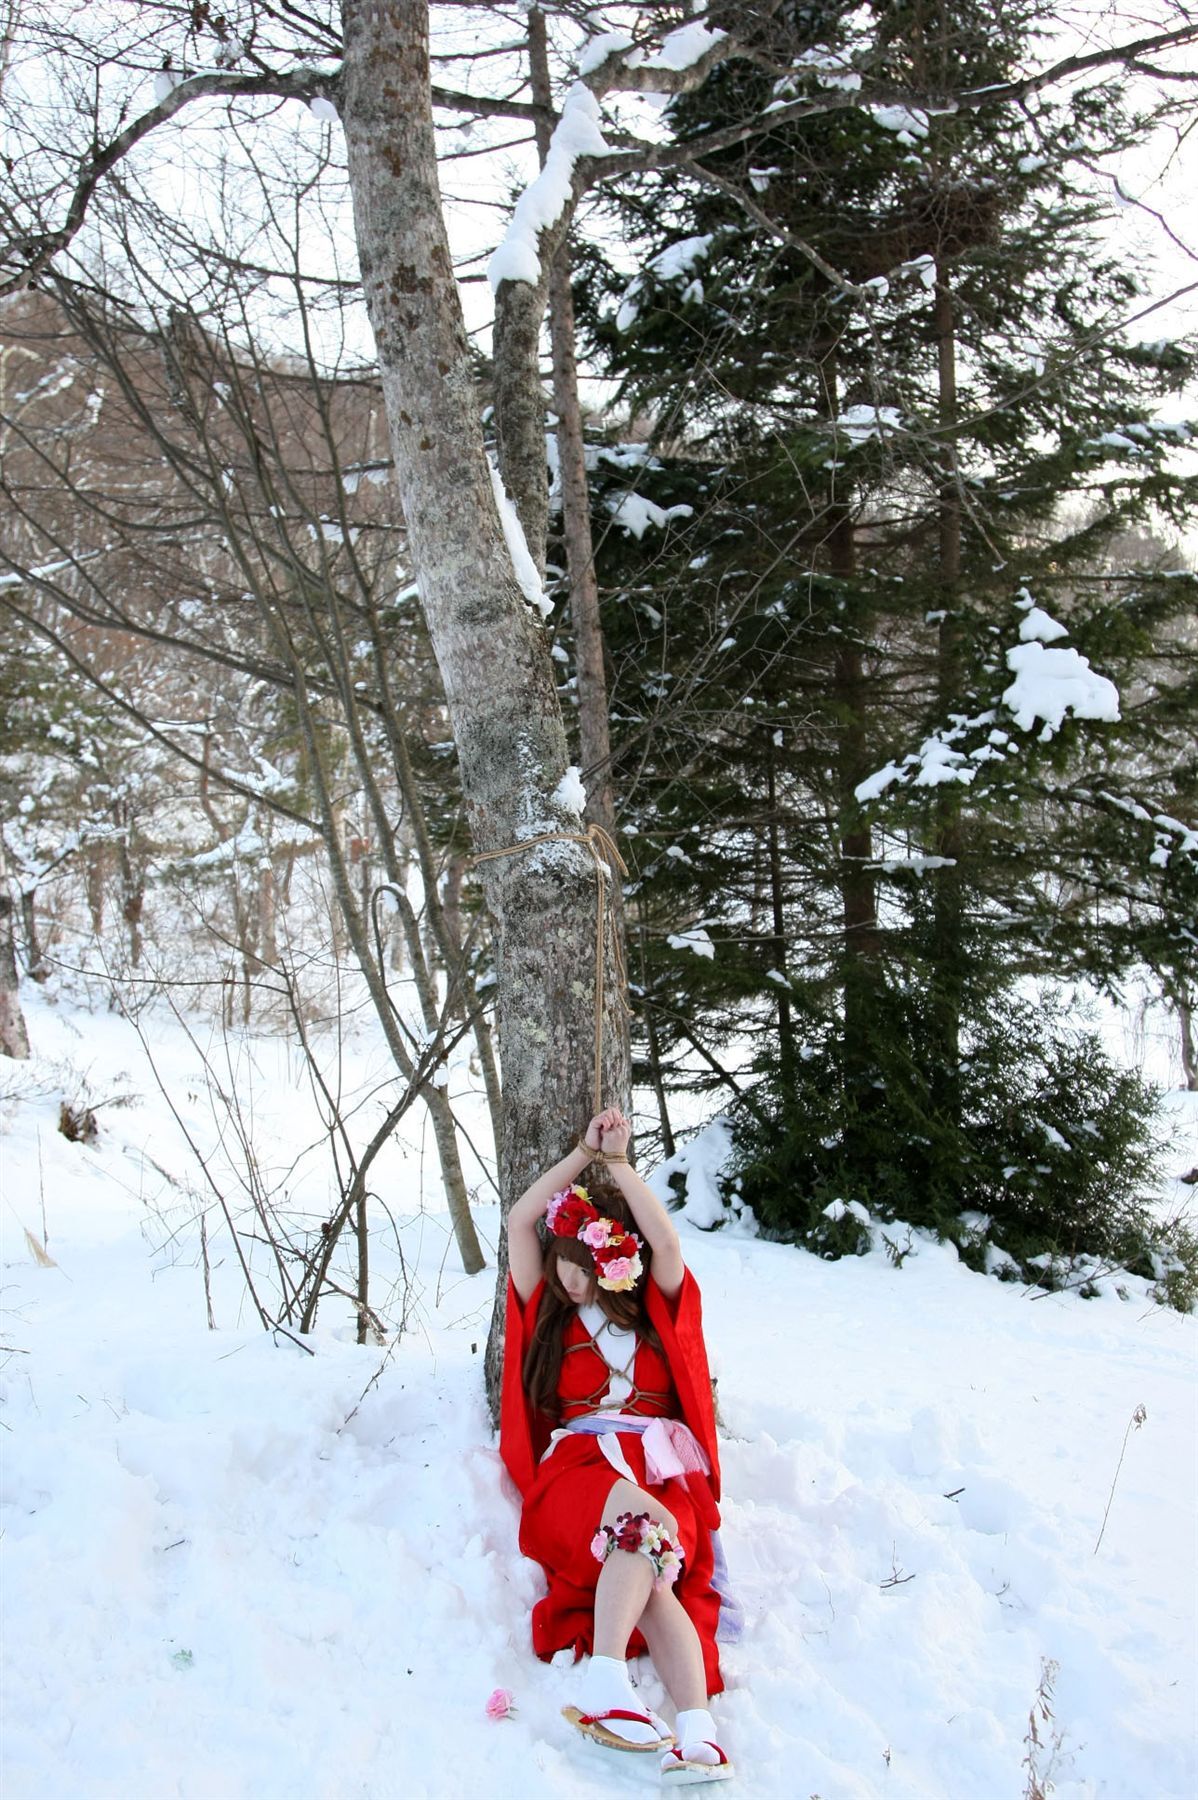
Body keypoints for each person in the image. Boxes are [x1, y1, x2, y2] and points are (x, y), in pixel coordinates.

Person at [500, 1106, 734, 1786]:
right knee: (646, 1529)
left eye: (579, 1264)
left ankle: (698, 1732)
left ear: (608, 1260)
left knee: (656, 1558)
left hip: (660, 1466)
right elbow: (520, 1220)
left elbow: (665, 1244)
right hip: (577, 1467)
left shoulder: (654, 1311)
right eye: (559, 1263)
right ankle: (607, 1678)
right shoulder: (550, 1310)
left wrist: (623, 1166)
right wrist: (583, 1154)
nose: (567, 1279)